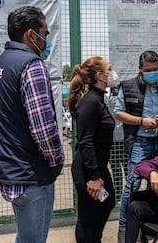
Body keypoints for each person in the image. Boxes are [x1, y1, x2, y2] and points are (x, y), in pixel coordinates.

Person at [0, 6, 64, 243]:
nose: (46, 40)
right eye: (45, 33)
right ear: (32, 35)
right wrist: (56, 159)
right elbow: (42, 128)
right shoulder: (32, 65)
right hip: (31, 174)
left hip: (11, 170)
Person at [113, 50, 158, 241]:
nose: (152, 73)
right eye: (148, 70)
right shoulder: (128, 86)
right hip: (140, 141)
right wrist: (142, 121)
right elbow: (118, 113)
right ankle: (124, 227)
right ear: (140, 69)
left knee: (155, 184)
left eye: (155, 69)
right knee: (132, 183)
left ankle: (148, 222)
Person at [68, 56, 116, 243]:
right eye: (109, 69)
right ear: (100, 75)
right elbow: (85, 141)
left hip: (98, 167)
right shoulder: (89, 102)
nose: (112, 73)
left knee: (106, 202)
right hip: (89, 171)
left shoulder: (98, 99)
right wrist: (94, 177)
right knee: (88, 216)